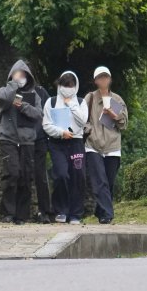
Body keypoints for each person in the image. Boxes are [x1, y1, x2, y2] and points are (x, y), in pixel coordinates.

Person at [0, 60, 43, 224]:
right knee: (12, 173)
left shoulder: (34, 95)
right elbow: (3, 100)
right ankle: (7, 213)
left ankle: (22, 215)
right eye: (18, 74)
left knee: (26, 176)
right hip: (8, 139)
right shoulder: (4, 90)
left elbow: (38, 114)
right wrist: (13, 84)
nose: (21, 77)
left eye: (23, 75)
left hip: (27, 141)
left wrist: (23, 106)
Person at [42, 71, 89, 225]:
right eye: (64, 85)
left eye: (71, 85)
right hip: (57, 143)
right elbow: (46, 125)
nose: (67, 89)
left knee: (78, 176)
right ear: (59, 85)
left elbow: (83, 121)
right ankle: (61, 210)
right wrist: (61, 132)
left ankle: (76, 213)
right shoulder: (51, 102)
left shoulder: (81, 102)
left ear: (75, 86)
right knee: (61, 174)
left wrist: (71, 105)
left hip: (76, 142)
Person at [84, 66, 128, 224]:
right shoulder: (90, 98)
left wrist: (114, 115)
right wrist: (90, 131)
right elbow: (81, 119)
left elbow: (124, 124)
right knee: (99, 181)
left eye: (106, 77)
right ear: (95, 80)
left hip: (113, 146)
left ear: (110, 79)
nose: (103, 80)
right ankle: (108, 214)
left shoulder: (117, 99)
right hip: (93, 145)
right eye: (100, 77)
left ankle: (100, 211)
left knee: (109, 182)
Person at [31, 80, 53, 224]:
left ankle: (44, 211)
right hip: (19, 139)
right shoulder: (12, 91)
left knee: (41, 175)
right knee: (20, 174)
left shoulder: (40, 91)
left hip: (39, 138)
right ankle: (18, 213)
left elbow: (49, 112)